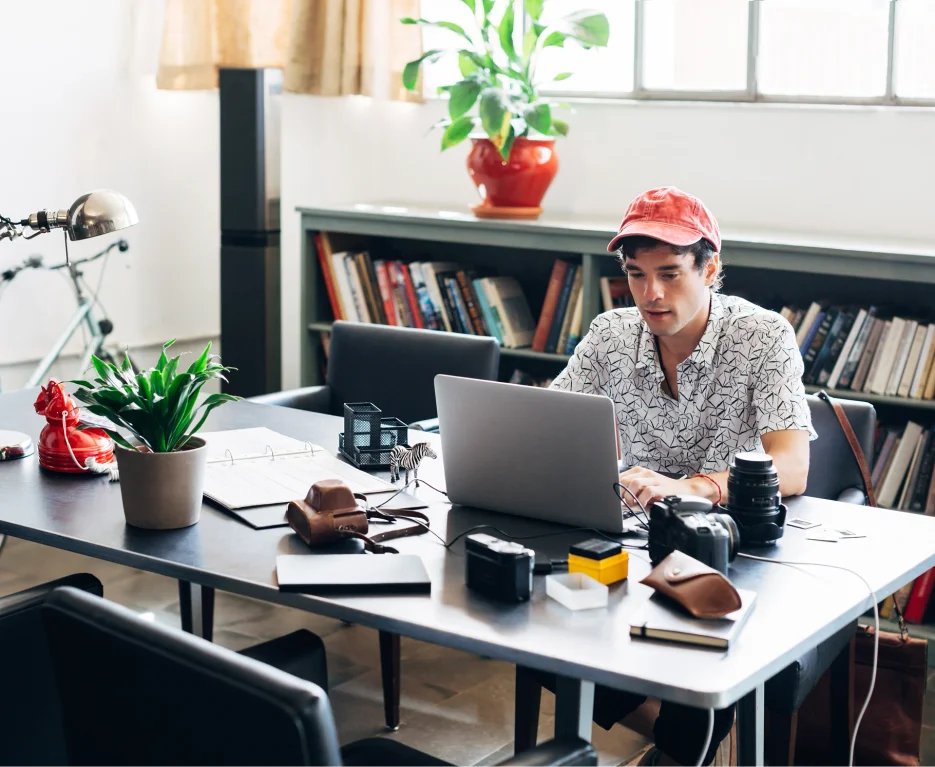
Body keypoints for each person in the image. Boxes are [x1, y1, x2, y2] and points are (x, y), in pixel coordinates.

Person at [549, 187, 816, 767]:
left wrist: (695, 486)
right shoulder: (610, 334)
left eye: (670, 273)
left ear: (710, 268)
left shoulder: (762, 336)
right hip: (632, 537)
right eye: (635, 275)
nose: (650, 293)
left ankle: (680, 745)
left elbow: (792, 465)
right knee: (533, 619)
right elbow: (550, 423)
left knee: (701, 649)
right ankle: (677, 740)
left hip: (729, 549)